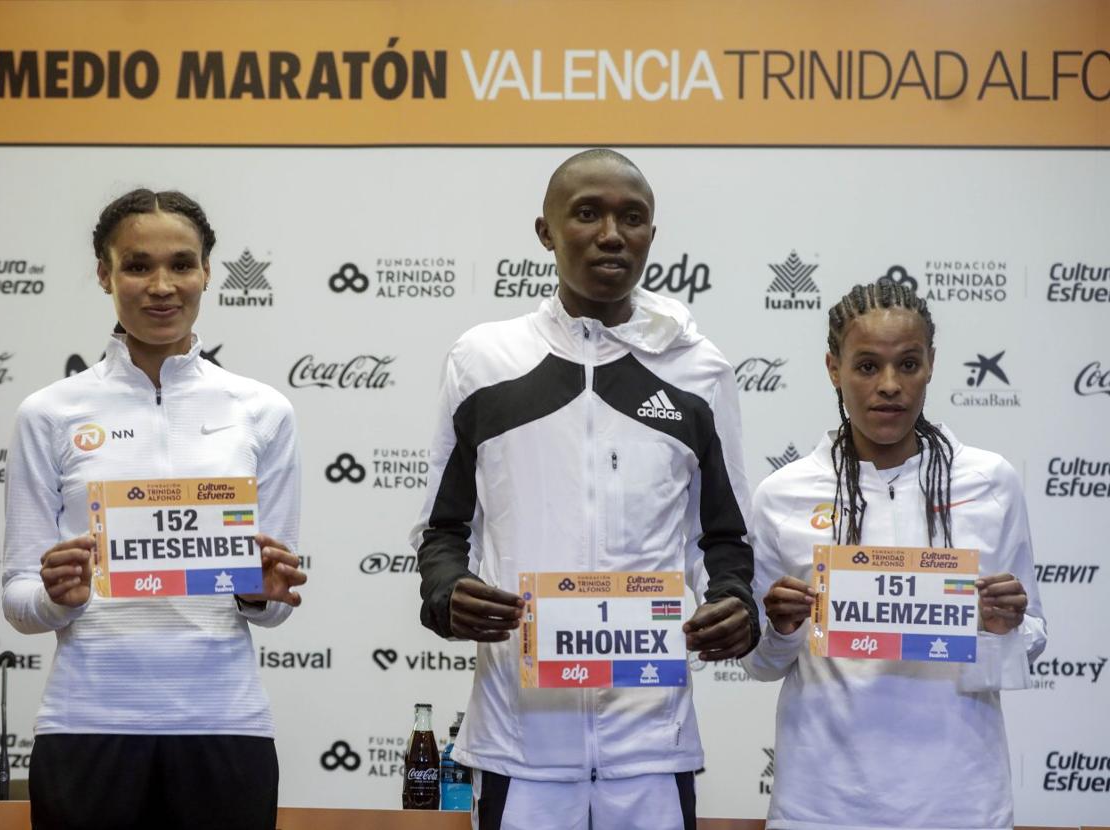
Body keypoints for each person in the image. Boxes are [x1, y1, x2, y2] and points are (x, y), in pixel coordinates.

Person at [411, 149, 758, 830]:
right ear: (545, 230)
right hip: (520, 743)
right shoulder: (483, 359)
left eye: (632, 218)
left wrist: (734, 602)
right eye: (587, 214)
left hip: (651, 748)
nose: (611, 234)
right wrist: (446, 593)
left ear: (652, 236)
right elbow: (441, 530)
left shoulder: (698, 370)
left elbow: (726, 537)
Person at [2, 189, 306, 830]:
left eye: (182, 264)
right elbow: (19, 600)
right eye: (138, 266)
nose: (162, 286)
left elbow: (273, 608)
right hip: (87, 727)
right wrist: (58, 595)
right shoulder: (49, 412)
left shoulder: (262, 410)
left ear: (207, 273)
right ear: (104, 274)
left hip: (226, 727)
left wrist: (261, 593)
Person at [742, 277, 1046, 830]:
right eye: (866, 366)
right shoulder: (782, 494)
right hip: (821, 803)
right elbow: (760, 664)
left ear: (931, 364)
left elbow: (1031, 639)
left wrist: (1005, 626)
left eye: (908, 365)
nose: (889, 386)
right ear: (834, 369)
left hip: (961, 802)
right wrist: (783, 629)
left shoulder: (990, 482)